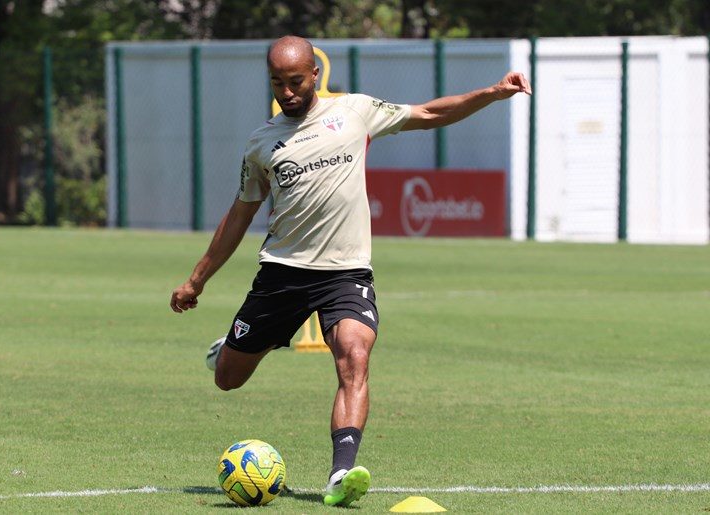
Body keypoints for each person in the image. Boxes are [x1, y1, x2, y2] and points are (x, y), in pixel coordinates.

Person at [171, 35, 531, 507]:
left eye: (296, 81)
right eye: (278, 82)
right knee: (228, 378)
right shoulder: (262, 143)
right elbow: (239, 215)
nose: (288, 91)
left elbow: (427, 115)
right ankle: (236, 345)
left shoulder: (355, 112)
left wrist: (491, 92)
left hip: (346, 271)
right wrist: (197, 279)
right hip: (283, 272)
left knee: (354, 355)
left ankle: (341, 472)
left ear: (316, 75)